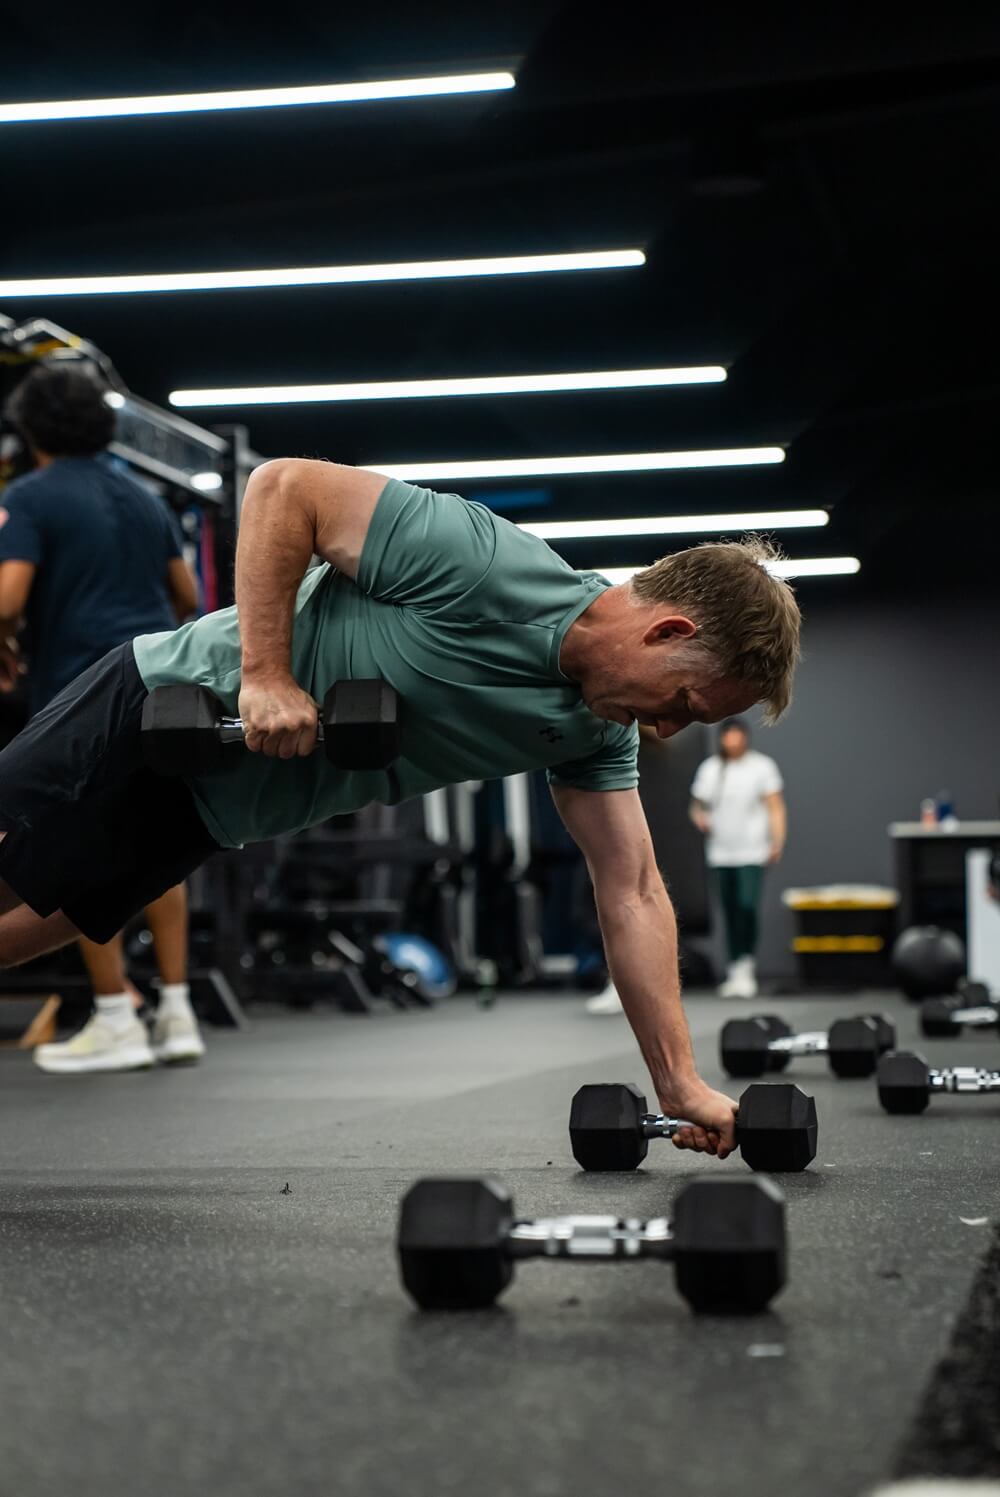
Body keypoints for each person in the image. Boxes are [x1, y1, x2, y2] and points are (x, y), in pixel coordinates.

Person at [0, 457, 800, 1160]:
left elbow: (634, 892)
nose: (665, 728)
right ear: (666, 629)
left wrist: (681, 1081)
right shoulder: (486, 562)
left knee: (22, 927)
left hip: (209, 815)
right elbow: (283, 488)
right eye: (683, 703)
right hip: (152, 712)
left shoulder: (595, 732)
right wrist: (268, 674)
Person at [0, 363, 203, 1073]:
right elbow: (188, 595)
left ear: (28, 431)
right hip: (161, 680)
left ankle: (116, 1013)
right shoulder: (144, 500)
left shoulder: (28, 497)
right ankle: (177, 1012)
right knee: (156, 841)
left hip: (81, 693)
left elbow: (6, 598)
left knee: (79, 846)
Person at [689, 717, 786, 998]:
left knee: (746, 905)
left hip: (752, 850)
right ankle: (734, 968)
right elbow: (696, 806)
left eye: (736, 735)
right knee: (728, 909)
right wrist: (701, 820)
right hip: (720, 852)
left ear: (744, 737)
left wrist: (776, 840)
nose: (731, 741)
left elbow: (775, 807)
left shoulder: (762, 767)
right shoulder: (711, 769)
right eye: (726, 736)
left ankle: (746, 963)